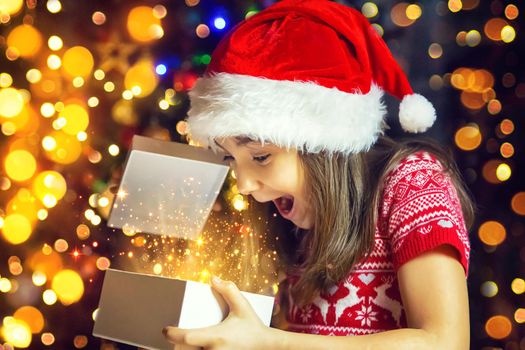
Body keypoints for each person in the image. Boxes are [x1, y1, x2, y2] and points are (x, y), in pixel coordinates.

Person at [163, 0, 474, 348]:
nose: (245, 184)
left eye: (261, 156)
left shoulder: (413, 182)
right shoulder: (296, 227)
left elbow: (445, 341)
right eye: (231, 160)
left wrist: (268, 342)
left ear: (322, 144)